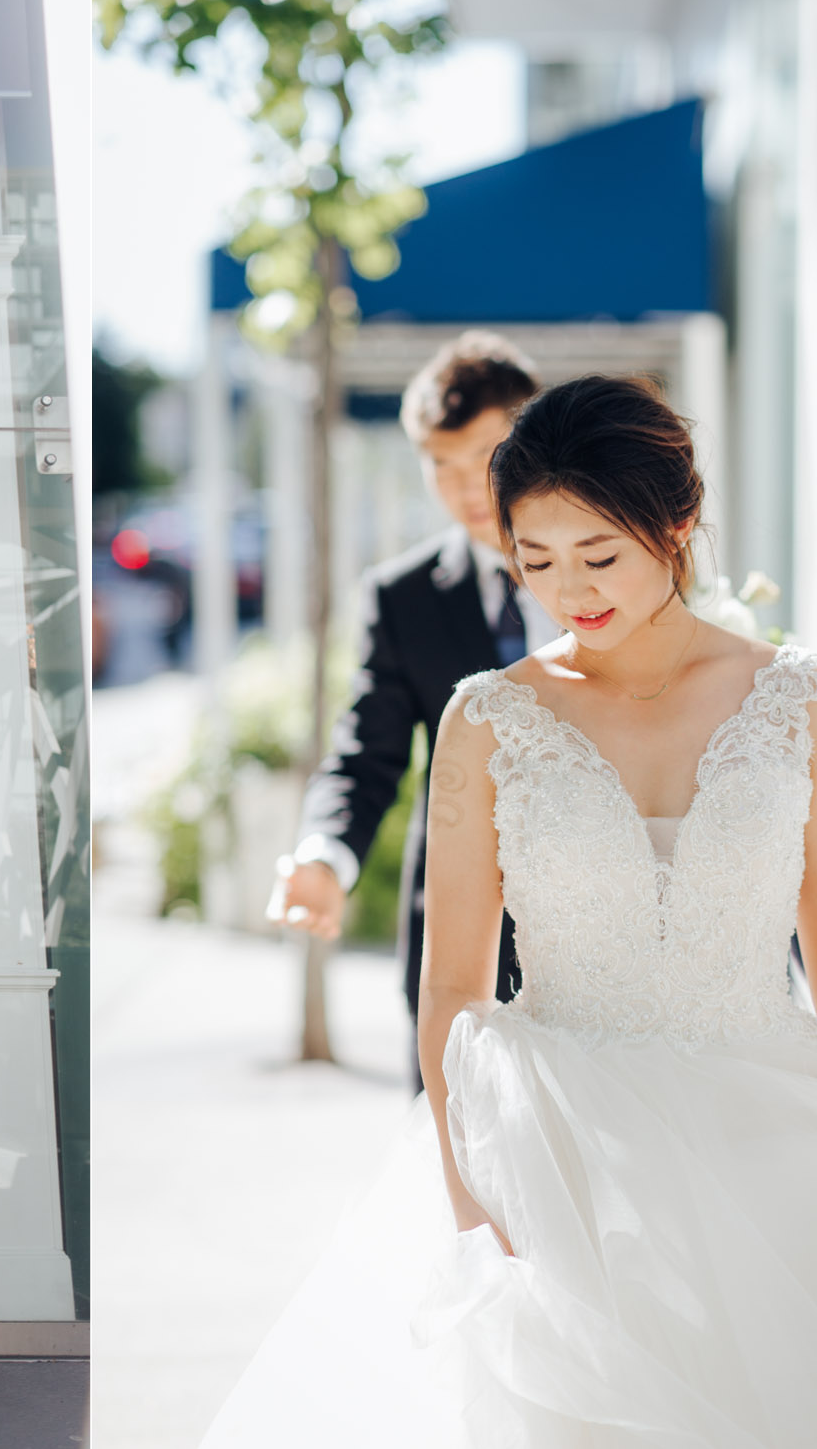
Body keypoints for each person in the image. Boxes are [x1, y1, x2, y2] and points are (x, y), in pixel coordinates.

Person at [204, 376, 817, 1445]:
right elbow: (453, 986)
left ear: (677, 522)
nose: (568, 588)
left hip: (781, 1137)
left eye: (598, 554)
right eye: (536, 560)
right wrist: (468, 1195)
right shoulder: (489, 719)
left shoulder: (798, 697)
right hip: (570, 1158)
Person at [280, 331, 555, 1076]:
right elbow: (364, 754)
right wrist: (323, 855)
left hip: (610, 942)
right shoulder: (400, 598)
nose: (466, 489)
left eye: (486, 457)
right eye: (440, 464)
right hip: (461, 951)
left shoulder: (613, 569)